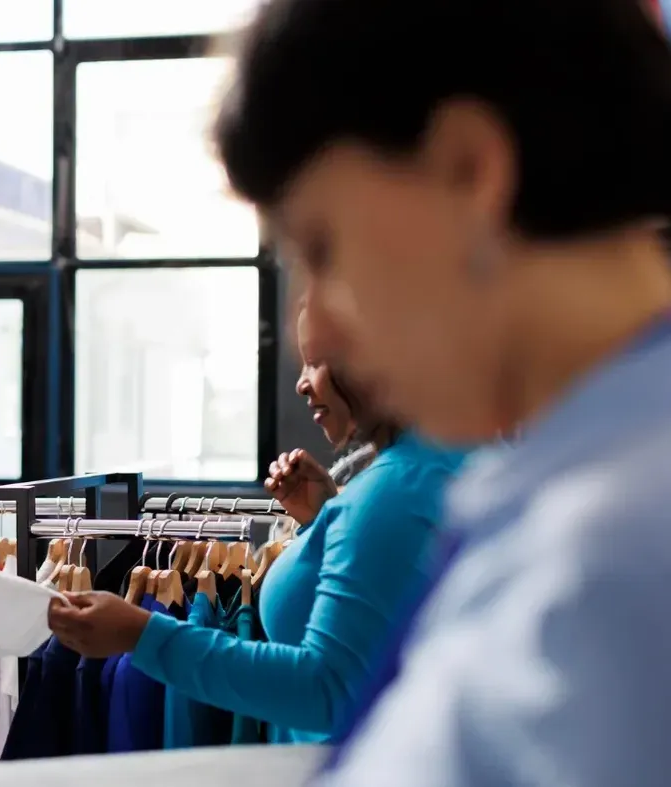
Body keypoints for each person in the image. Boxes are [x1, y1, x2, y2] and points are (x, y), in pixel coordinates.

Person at [212, 0, 671, 783]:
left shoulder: (618, 550)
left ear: (469, 171)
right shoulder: (555, 486)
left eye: (323, 247)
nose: (318, 327)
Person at [46, 298, 466, 744]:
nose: (303, 384)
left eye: (317, 360)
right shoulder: (426, 466)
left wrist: (142, 634)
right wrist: (324, 522)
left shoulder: (393, 490)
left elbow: (326, 692)